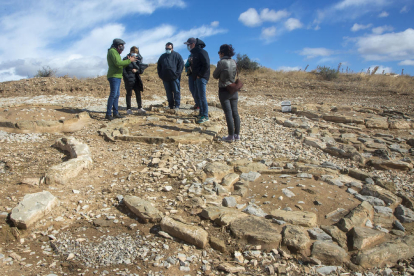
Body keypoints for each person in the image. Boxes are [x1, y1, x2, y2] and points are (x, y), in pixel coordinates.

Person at [212, 44, 240, 142]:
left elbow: (215, 75)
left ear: (222, 53)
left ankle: (230, 136)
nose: (219, 54)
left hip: (224, 90)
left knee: (228, 113)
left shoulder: (221, 62)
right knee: (235, 113)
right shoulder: (234, 62)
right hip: (234, 89)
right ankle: (237, 135)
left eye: (219, 52)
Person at [106, 38, 136, 120]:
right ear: (116, 45)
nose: (122, 47)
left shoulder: (116, 52)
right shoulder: (112, 51)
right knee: (113, 94)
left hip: (118, 76)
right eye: (121, 45)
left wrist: (128, 61)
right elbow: (118, 63)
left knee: (116, 95)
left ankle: (115, 113)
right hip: (114, 76)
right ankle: (108, 114)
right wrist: (129, 61)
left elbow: (120, 65)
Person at [184, 37, 210, 124]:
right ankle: (201, 113)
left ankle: (205, 116)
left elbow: (206, 64)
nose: (188, 46)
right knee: (198, 96)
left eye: (189, 45)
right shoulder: (195, 53)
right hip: (196, 77)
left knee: (202, 97)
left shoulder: (201, 52)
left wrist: (200, 75)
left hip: (201, 78)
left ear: (193, 44)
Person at [157, 42, 184, 110]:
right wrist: (161, 75)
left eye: (169, 48)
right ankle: (170, 105)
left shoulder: (177, 55)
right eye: (166, 48)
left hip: (174, 78)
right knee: (168, 92)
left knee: (176, 91)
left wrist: (177, 74)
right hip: (165, 78)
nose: (167, 49)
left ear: (172, 48)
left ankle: (177, 105)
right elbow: (159, 66)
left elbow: (181, 65)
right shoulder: (162, 56)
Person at [123, 46, 147, 115]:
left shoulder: (138, 60)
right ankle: (128, 109)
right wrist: (127, 77)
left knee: (138, 93)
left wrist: (136, 70)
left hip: (136, 79)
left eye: (136, 52)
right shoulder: (126, 59)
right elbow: (123, 69)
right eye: (133, 52)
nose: (135, 54)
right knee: (129, 94)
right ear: (130, 52)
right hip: (129, 79)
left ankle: (139, 107)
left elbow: (141, 70)